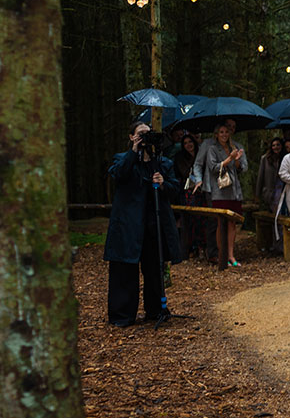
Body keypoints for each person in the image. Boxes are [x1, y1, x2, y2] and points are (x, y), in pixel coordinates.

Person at [104, 122, 182, 326]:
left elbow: (175, 189)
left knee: (154, 269)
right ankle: (122, 315)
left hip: (153, 224)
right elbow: (118, 174)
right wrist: (134, 151)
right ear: (131, 137)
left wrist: (163, 183)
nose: (145, 138)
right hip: (128, 226)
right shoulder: (123, 159)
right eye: (140, 134)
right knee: (124, 270)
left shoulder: (162, 163)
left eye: (148, 134)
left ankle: (155, 310)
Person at [200, 121, 247, 268]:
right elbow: (213, 168)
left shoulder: (237, 147)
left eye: (226, 132)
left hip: (234, 191)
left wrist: (237, 160)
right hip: (219, 191)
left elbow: (243, 169)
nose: (224, 135)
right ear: (216, 135)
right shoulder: (212, 149)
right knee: (221, 223)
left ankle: (232, 255)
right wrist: (229, 159)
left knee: (232, 223)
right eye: (221, 132)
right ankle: (222, 255)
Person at [173, 132, 206, 258]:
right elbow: (183, 173)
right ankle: (190, 248)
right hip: (188, 192)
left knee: (202, 219)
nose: (188, 145)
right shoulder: (180, 157)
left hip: (201, 191)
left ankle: (202, 246)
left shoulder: (201, 154)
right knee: (190, 219)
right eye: (185, 143)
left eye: (190, 142)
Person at [256, 136, 287, 214]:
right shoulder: (265, 159)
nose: (275, 147)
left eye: (278, 145)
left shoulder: (286, 158)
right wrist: (257, 194)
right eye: (273, 145)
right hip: (270, 192)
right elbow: (260, 177)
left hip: (282, 190)